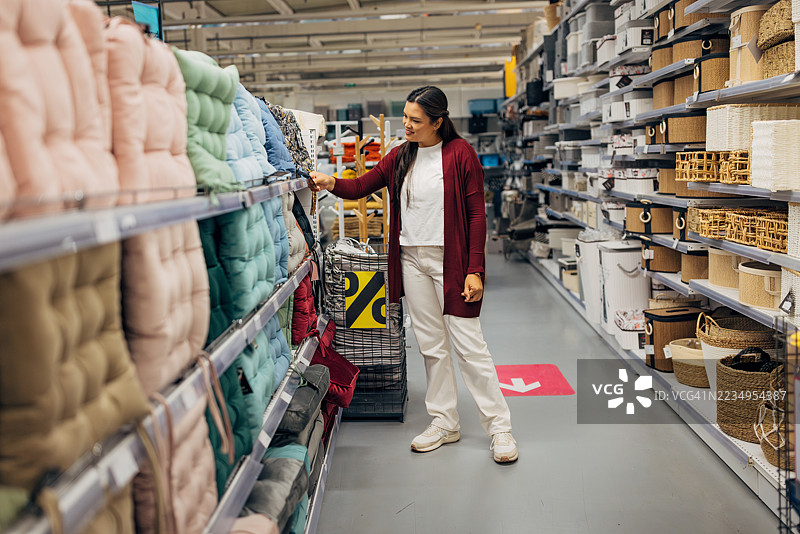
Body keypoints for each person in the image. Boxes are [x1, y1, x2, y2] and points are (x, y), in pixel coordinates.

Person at [309, 86, 517, 464]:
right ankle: (444, 421)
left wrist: (475, 270)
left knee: (470, 347)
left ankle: (499, 427)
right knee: (431, 346)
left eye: (415, 120)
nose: (406, 125)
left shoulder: (460, 155)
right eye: (404, 117)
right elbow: (362, 186)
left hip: (450, 262)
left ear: (438, 122)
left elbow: (476, 216)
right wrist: (330, 182)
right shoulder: (400, 157)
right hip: (411, 259)